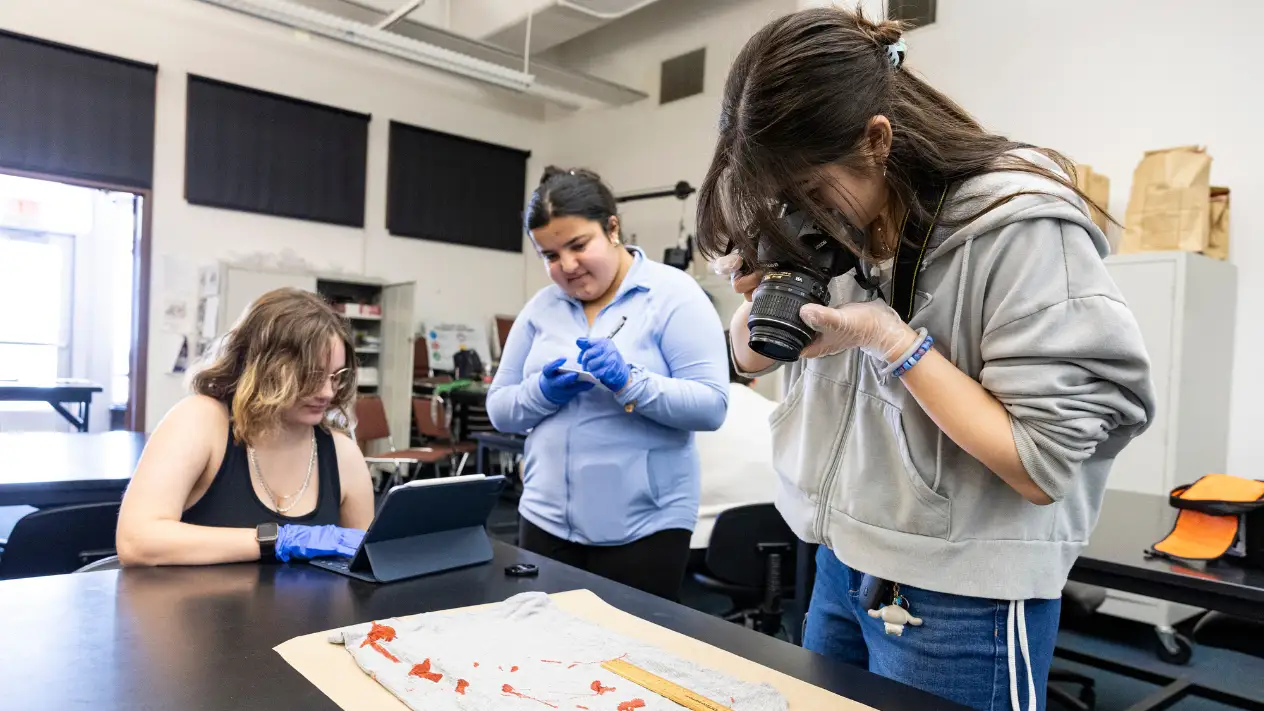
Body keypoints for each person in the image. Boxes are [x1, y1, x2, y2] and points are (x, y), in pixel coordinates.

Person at [696, 8, 1156, 711]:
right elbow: (749, 359)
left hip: (961, 593)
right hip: (841, 561)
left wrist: (892, 342)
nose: (802, 215)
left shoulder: (1018, 228)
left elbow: (1040, 462)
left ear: (876, 141)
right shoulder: (840, 213)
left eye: (809, 193)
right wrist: (762, 297)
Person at [487, 166, 729, 600]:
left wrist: (629, 381)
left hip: (644, 527)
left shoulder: (673, 296)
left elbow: (711, 406)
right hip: (546, 518)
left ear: (612, 228)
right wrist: (541, 393)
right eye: (550, 256)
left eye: (578, 245)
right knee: (543, 653)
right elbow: (500, 408)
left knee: (629, 659)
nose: (567, 266)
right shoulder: (541, 308)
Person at [116, 288, 375, 567]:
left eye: (336, 376)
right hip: (200, 610)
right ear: (262, 366)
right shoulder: (201, 421)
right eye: (311, 375)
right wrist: (277, 540)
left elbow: (367, 566)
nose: (327, 392)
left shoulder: (343, 455)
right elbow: (136, 541)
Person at [690, 332, 777, 552]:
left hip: (700, 555)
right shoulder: (780, 416)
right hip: (781, 551)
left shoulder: (689, 418)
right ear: (754, 379)